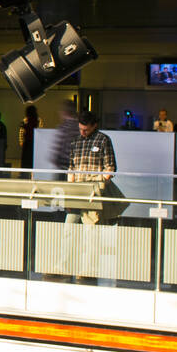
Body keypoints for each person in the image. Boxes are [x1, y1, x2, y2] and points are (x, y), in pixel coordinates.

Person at [60, 111, 118, 279]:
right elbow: (71, 169)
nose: (82, 132)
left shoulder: (103, 140)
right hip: (77, 191)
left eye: (85, 129)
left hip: (93, 192)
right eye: (80, 129)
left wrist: (99, 187)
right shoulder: (76, 142)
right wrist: (68, 194)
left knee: (90, 233)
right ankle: (64, 266)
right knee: (69, 229)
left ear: (94, 126)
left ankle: (89, 270)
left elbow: (110, 168)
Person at [18, 105, 42, 171]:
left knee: (26, 160)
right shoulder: (37, 120)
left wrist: (21, 140)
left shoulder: (27, 120)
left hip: (28, 142)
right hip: (34, 142)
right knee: (32, 160)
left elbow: (23, 131)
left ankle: (24, 173)